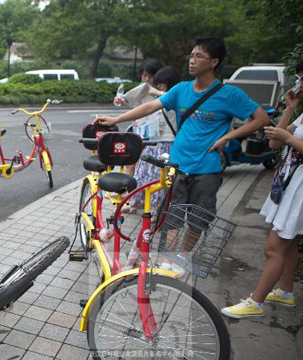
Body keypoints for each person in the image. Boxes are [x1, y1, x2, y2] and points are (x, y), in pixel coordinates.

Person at [97, 37, 269, 272]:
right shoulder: (181, 89)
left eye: (200, 56)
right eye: (192, 55)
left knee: (199, 218)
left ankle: (182, 257)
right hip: (177, 164)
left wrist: (228, 137)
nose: (193, 60)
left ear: (214, 62)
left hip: (208, 167)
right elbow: (150, 106)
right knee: (173, 215)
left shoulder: (229, 94)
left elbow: (261, 119)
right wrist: (116, 119)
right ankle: (168, 262)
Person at [221, 59, 303, 319]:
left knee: (274, 247)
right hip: (290, 184)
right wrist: (289, 110)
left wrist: (289, 138)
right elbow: (273, 144)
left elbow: (286, 139)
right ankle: (286, 292)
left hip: (300, 190)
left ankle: (255, 302)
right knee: (289, 243)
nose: (301, 84)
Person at [127, 66, 181, 211]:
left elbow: (173, 100)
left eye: (160, 83)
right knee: (142, 174)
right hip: (153, 141)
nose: (158, 86)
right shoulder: (160, 97)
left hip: (167, 144)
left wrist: (157, 92)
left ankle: (156, 211)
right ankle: (135, 203)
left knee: (159, 179)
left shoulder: (175, 97)